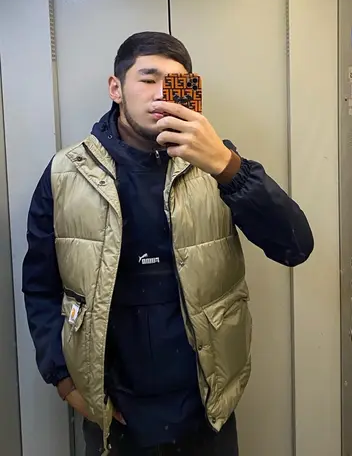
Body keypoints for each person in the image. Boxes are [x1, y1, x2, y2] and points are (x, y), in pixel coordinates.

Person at [22, 31, 314, 456]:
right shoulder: (66, 173)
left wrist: (226, 165)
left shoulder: (218, 165)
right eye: (148, 79)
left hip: (205, 409)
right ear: (116, 88)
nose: (162, 93)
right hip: (113, 413)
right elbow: (40, 286)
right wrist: (64, 382)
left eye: (176, 83)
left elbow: (295, 246)